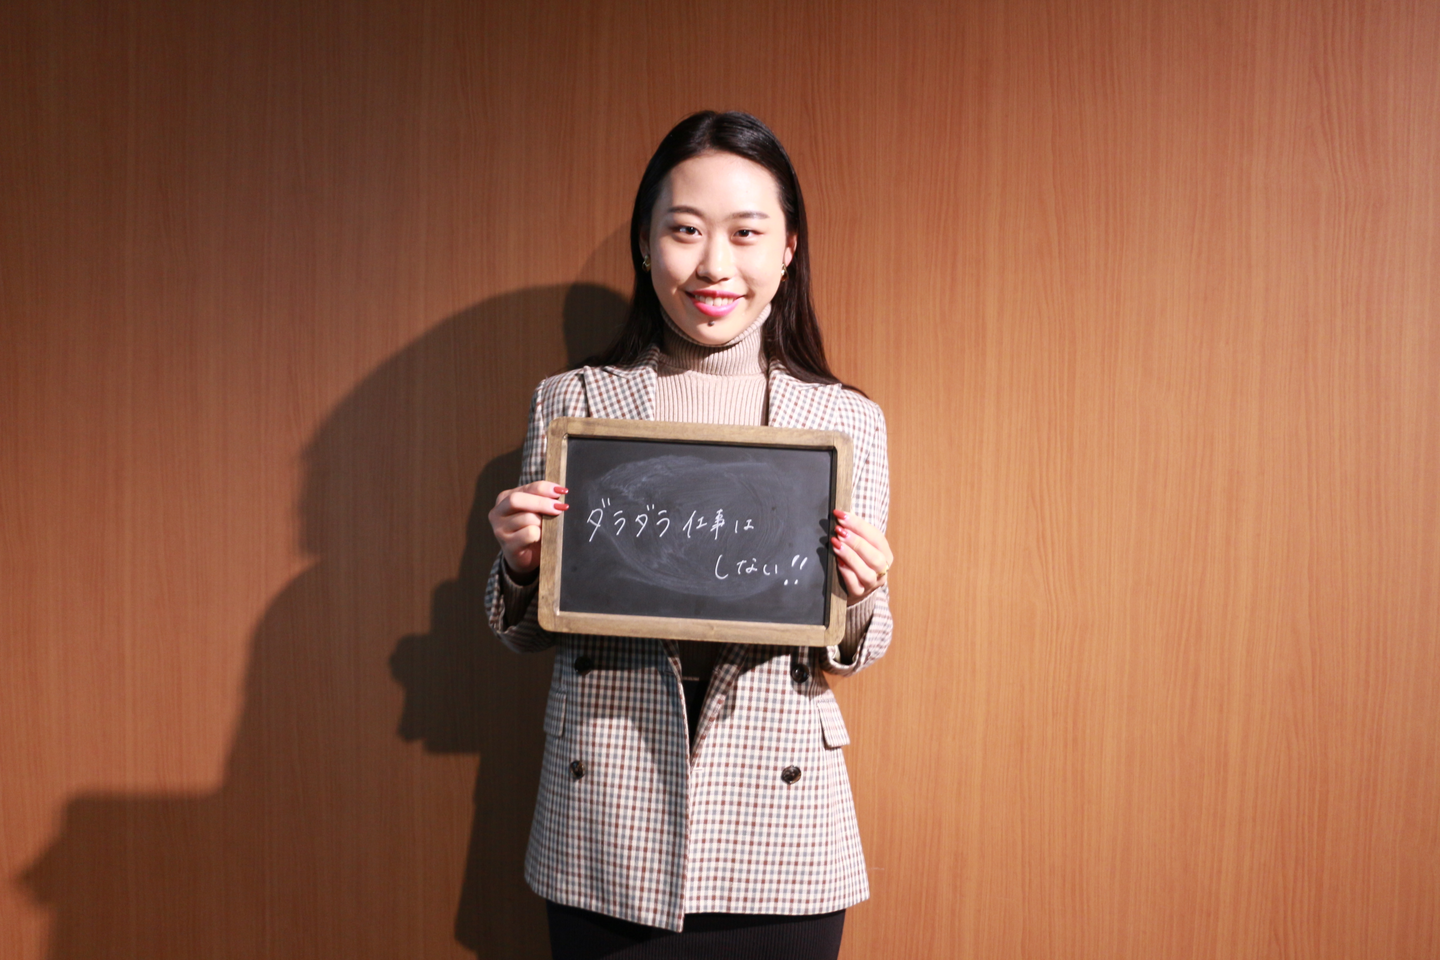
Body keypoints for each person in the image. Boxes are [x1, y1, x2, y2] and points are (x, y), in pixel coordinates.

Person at [485, 111, 894, 960]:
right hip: (608, 818)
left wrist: (860, 595)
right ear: (645, 244)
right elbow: (527, 633)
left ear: (788, 247)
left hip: (781, 825)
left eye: (746, 233)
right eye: (684, 230)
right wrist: (522, 567)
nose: (714, 265)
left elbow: (858, 649)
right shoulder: (574, 405)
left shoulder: (844, 422)